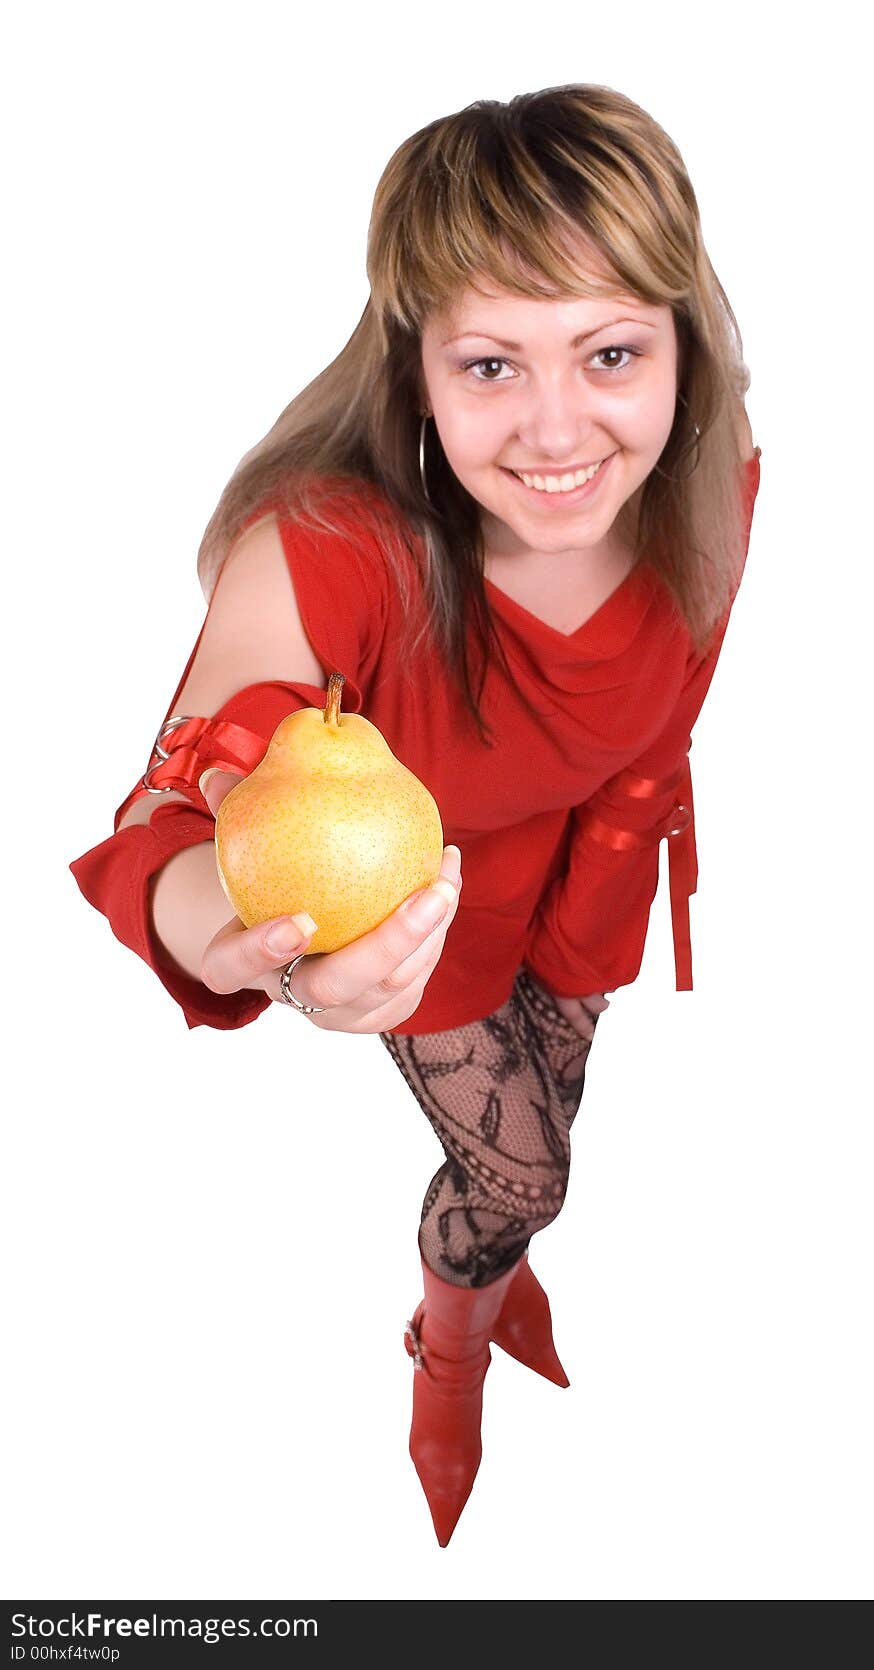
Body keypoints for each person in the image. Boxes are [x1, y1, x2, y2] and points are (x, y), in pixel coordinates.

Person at [69, 83, 761, 1548]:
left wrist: (629, 828)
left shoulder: (716, 482)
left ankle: (494, 1262)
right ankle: (449, 1345)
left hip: (596, 862)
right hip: (422, 912)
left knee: (533, 1149)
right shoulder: (332, 553)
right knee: (525, 1173)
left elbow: (674, 678)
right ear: (420, 371)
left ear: (684, 352)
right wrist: (253, 940)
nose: (558, 429)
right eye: (494, 363)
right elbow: (178, 809)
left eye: (611, 352)